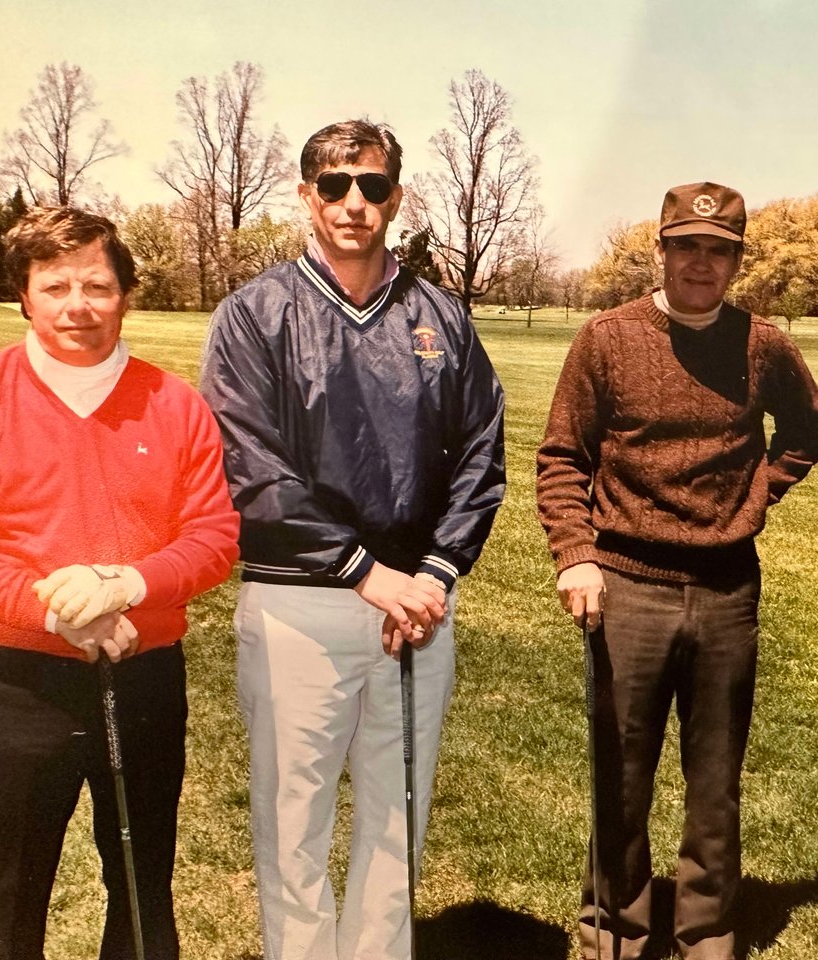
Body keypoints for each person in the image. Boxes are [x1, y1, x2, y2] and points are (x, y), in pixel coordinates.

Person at [200, 120, 505, 960]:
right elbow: (250, 466)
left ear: (396, 199)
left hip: (417, 610)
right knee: (292, 826)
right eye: (334, 186)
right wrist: (368, 572)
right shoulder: (254, 314)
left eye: (372, 187)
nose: (353, 204)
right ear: (305, 196)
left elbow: (481, 453)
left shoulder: (440, 315)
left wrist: (436, 573)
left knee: (397, 820)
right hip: (302, 600)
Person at [537, 181, 818, 960]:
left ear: (735, 261)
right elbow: (563, 456)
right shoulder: (606, 338)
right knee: (623, 770)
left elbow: (811, 424)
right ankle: (616, 928)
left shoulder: (761, 342)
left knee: (714, 777)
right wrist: (576, 555)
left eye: (719, 250)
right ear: (661, 250)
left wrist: (760, 489)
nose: (701, 263)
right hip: (626, 579)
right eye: (687, 246)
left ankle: (705, 929)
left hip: (727, 586)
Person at [0, 207, 239, 958]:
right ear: (25, 296)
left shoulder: (175, 405)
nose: (78, 305)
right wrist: (60, 613)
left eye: (97, 285)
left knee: (140, 890)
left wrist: (121, 583)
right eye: (56, 285)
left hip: (142, 680)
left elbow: (214, 538)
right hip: (17, 687)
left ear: (127, 293)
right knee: (7, 895)